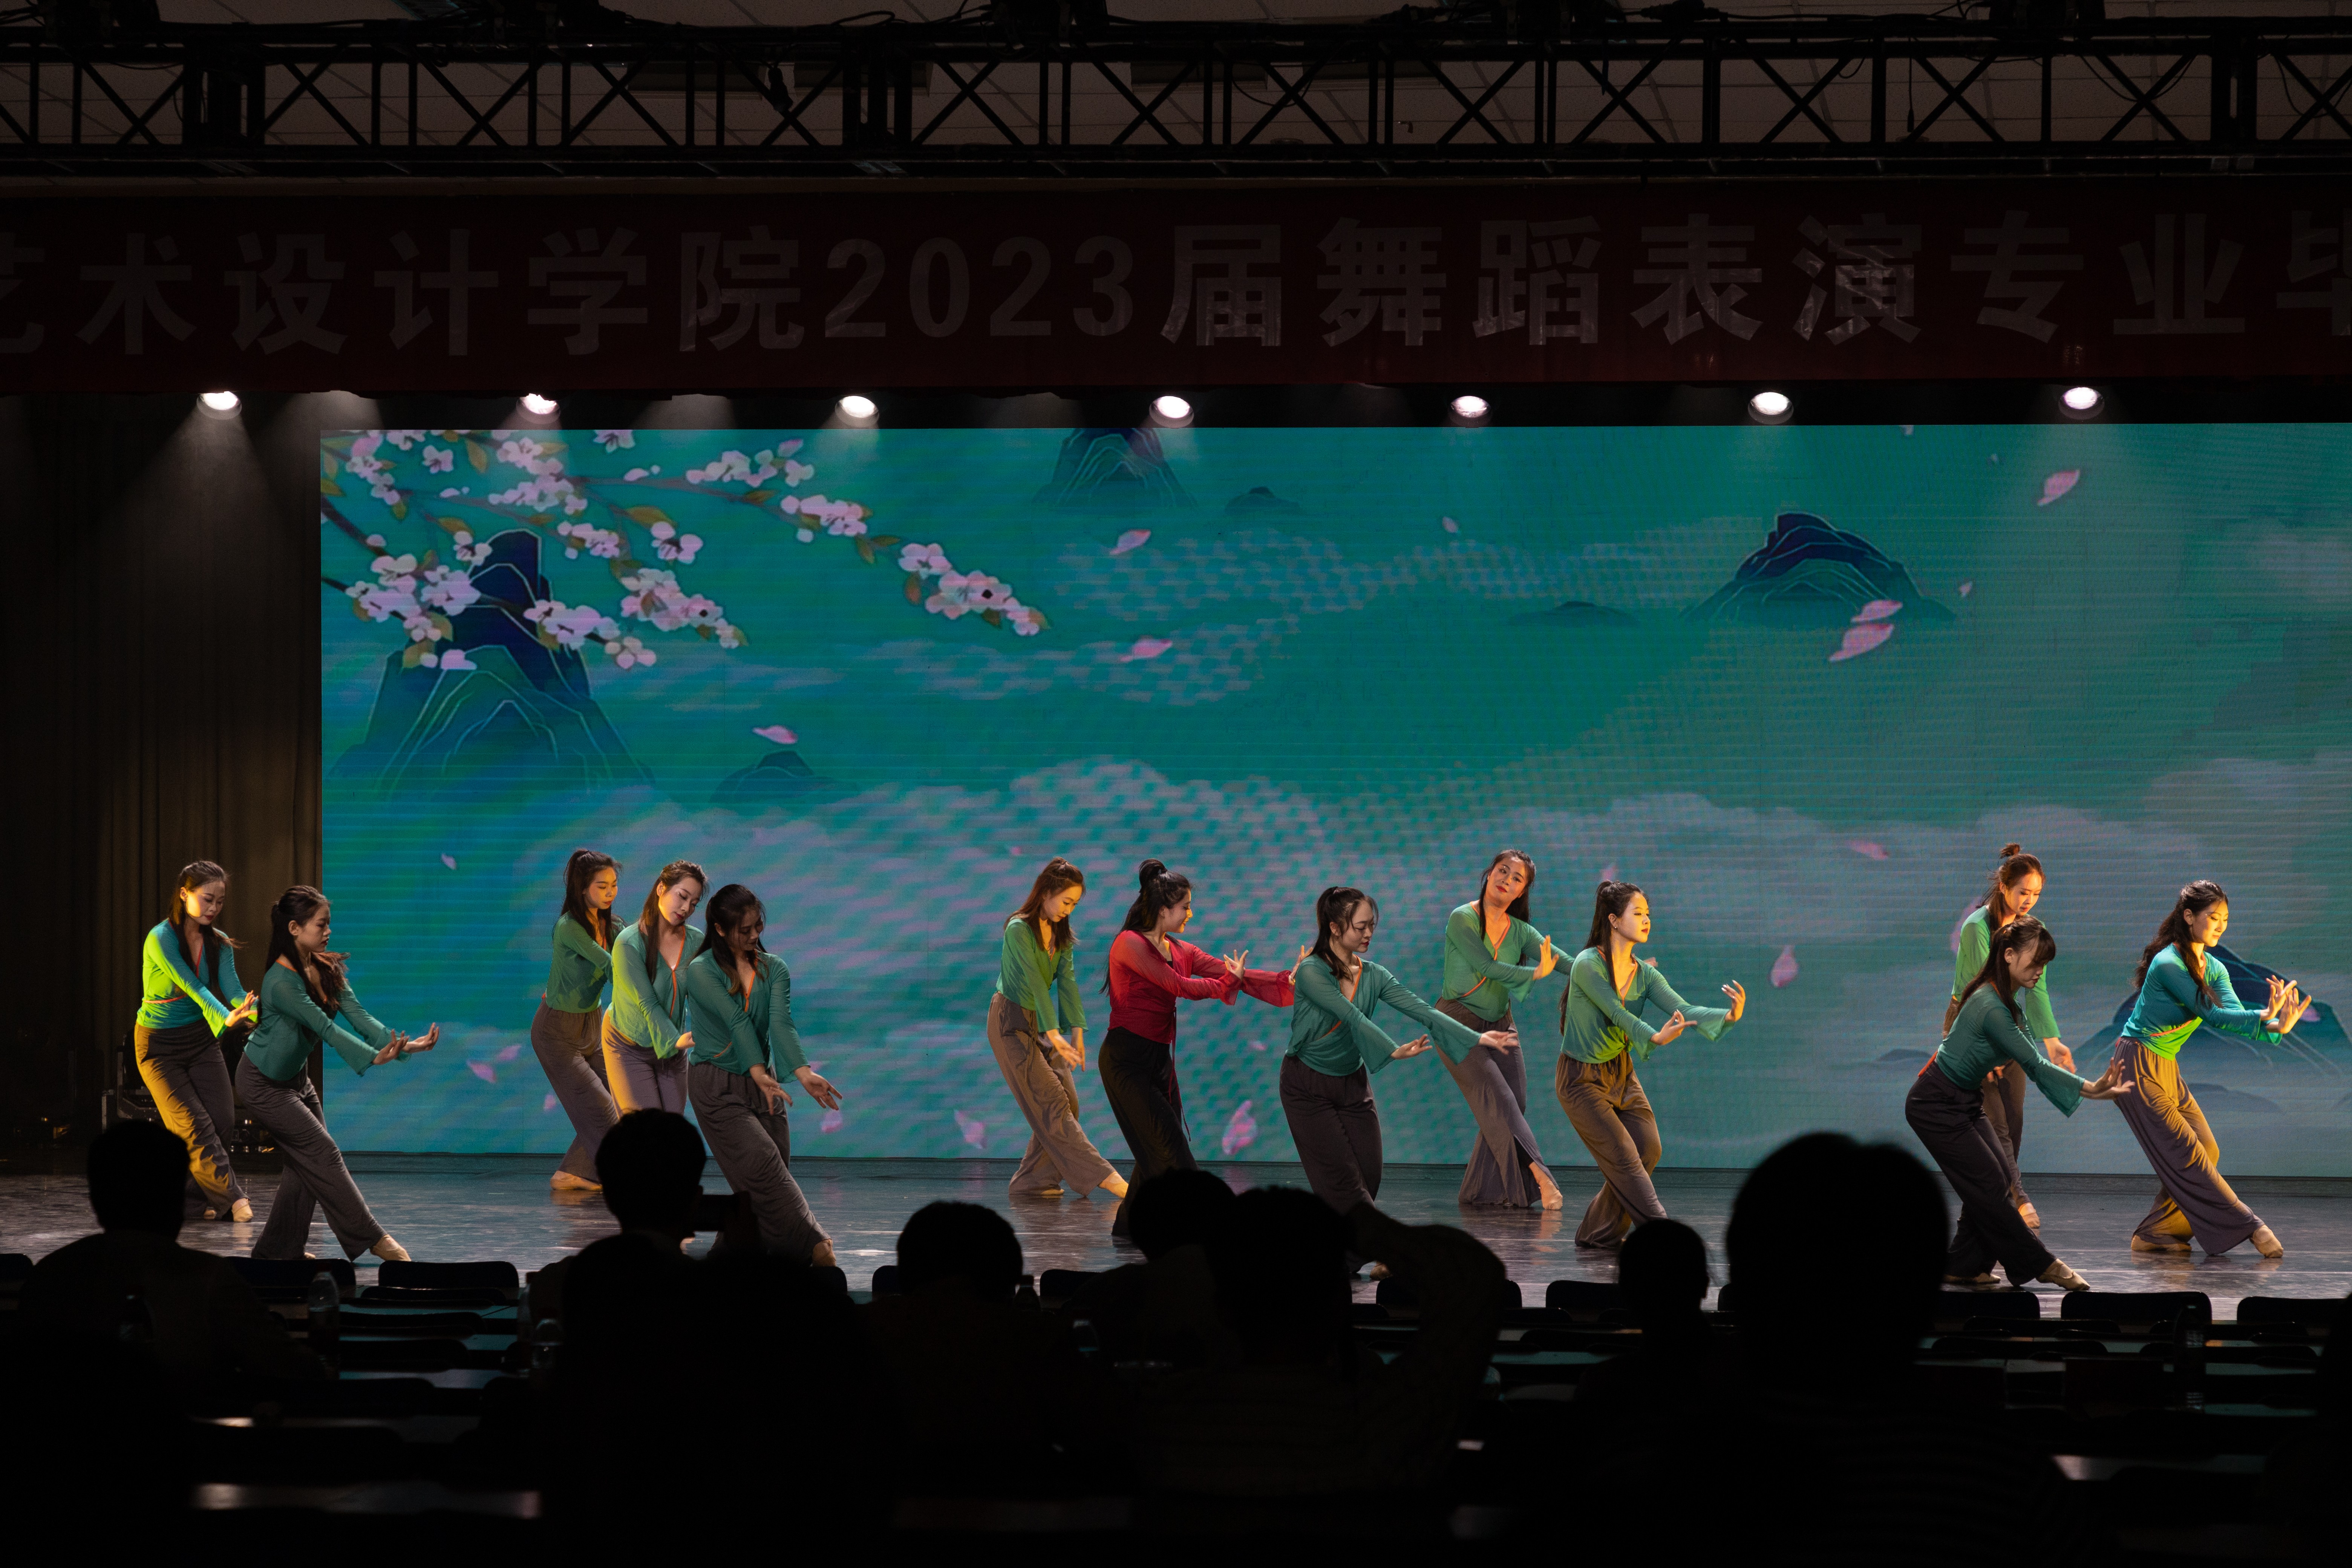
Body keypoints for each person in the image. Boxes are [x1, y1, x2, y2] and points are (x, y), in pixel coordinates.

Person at [1132, 1189, 1505, 1497]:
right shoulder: (1383, 1423)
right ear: (1341, 1302)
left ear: (1223, 1308)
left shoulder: (1163, 1420)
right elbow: (1474, 1275)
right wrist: (1357, 1225)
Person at [1906, 917, 2129, 1291]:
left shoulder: (2008, 1004)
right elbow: (2035, 1064)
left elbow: (2035, 1061)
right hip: (1935, 1103)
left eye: (2044, 964)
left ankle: (1963, 1265)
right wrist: (2091, 1088)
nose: (2040, 971)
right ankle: (2042, 1263)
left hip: (1964, 1101)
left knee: (1997, 1180)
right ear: (2008, 955)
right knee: (1988, 1183)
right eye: (2035, 962)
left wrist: (2092, 1090)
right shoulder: (1991, 1006)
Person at [19, 1121, 319, 1387]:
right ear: (177, 1202)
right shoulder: (209, 1280)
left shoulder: (51, 1276)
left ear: (96, 1201)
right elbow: (294, 1368)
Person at [1282, 886, 1514, 1224]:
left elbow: (1422, 1010)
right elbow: (1351, 1015)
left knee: (1368, 1175)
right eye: (1360, 927)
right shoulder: (1311, 971)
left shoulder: (1374, 975)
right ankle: (1377, 1244)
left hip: (1352, 1082)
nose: (1368, 934)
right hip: (1307, 1085)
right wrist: (1391, 1049)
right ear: (1334, 928)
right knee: (1344, 1183)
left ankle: (1341, 1242)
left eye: (1372, 926)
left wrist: (1477, 1037)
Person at [237, 885, 436, 1263]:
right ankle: (373, 1237)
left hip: (296, 1082)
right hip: (263, 1084)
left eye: (329, 924)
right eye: (321, 924)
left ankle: (277, 1252)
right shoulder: (281, 982)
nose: (328, 931)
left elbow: (358, 1016)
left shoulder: (325, 967)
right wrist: (373, 1058)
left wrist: (404, 1046)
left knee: (305, 1166)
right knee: (323, 1153)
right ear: (294, 928)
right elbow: (326, 1029)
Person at [2113, 880, 2309, 1258]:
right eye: (2213, 917)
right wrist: (2264, 1015)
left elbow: (2233, 1015)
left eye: (2225, 919)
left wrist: (2276, 1025)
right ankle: (2251, 1226)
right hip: (2135, 1065)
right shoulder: (2168, 964)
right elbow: (2212, 1013)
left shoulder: (2214, 967)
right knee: (2189, 1152)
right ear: (2189, 917)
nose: (2220, 926)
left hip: (2165, 1066)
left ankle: (2155, 1232)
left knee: (2206, 1149)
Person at [1099, 859, 1294, 1237]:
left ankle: (1128, 1228)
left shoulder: (1180, 948)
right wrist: (1226, 985)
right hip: (1126, 1061)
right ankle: (1212, 1231)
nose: (1190, 913)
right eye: (1185, 906)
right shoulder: (1130, 944)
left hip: (1158, 1061)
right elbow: (1180, 986)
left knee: (1157, 1150)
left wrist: (1287, 981)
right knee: (1171, 1152)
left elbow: (1231, 974)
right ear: (1163, 909)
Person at [862, 1202, 1107, 1492]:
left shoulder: (861, 1332)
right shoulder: (1041, 1338)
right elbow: (1095, 1435)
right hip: (1022, 1503)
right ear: (1009, 1276)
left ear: (905, 1272)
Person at [1555, 880, 1746, 1249]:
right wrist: (1654, 1036)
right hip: (1581, 1079)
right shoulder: (1588, 963)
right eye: (1638, 913)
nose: (1647, 920)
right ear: (1614, 920)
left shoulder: (1645, 974)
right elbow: (1616, 1011)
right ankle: (1667, 1240)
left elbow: (1684, 1009)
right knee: (1625, 1157)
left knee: (1648, 1149)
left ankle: (1596, 1233)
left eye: (1648, 914)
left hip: (1621, 1073)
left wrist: (1728, 1016)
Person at [683, 883, 841, 1266]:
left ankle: (729, 1257)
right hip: (717, 1085)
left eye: (758, 926)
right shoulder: (701, 971)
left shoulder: (774, 969)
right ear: (720, 930)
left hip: (762, 1084)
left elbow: (781, 1024)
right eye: (745, 930)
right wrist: (757, 1070)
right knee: (764, 1166)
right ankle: (816, 1245)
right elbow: (736, 1021)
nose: (755, 935)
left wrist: (803, 1073)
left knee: (762, 1183)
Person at [1940, 844, 2073, 1230]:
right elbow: (1977, 992)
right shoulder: (1976, 928)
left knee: (2013, 1120)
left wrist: (2051, 1041)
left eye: (2036, 894)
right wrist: (1985, 1049)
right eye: (2022, 892)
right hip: (1973, 1024)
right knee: (1994, 1120)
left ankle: (1995, 1199)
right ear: (2003, 886)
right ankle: (2019, 1198)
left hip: (2011, 1024)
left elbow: (2037, 987)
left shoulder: (2032, 930)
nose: (2029, 901)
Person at [1435, 851, 1569, 1210]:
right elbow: (1487, 966)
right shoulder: (1463, 918)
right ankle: (1541, 1178)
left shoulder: (1520, 931)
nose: (1507, 880)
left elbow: (1564, 962)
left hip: (1501, 1024)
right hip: (1456, 1024)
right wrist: (1533, 974)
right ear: (1490, 873)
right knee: (1502, 1102)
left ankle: (1479, 1190)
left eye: (1516, 879)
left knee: (1513, 1103)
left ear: (1522, 891)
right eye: (1503, 871)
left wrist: (1613, 973)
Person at [988, 857, 1126, 1202]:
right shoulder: (1018, 929)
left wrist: (1076, 1034)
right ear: (1046, 892)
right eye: (1066, 902)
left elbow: (1067, 982)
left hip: (1039, 1021)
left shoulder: (1060, 934)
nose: (1069, 910)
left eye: (1075, 905)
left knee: (1068, 1102)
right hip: (1010, 1021)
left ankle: (1033, 1181)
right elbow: (1036, 983)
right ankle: (1107, 1178)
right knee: (1052, 1103)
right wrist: (1053, 1036)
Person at [135, 860, 259, 1223]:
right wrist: (225, 1017)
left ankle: (188, 1204)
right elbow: (194, 987)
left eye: (220, 902)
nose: (214, 908)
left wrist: (257, 1013)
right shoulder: (160, 939)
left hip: (200, 1041)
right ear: (184, 894)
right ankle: (234, 1200)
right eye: (207, 899)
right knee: (193, 1126)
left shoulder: (219, 943)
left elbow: (234, 992)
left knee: (222, 1121)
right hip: (159, 1048)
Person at [533, 848, 623, 1192]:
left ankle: (574, 1173)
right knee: (602, 1111)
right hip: (557, 1032)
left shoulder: (614, 926)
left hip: (592, 1026)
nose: (610, 893)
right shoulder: (569, 928)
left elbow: (637, 950)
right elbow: (612, 965)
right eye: (602, 886)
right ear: (582, 888)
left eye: (614, 885)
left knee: (621, 1099)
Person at [605, 859, 704, 1116]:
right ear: (661, 889)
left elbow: (707, 995)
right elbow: (648, 1004)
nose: (687, 908)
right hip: (629, 1046)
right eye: (682, 896)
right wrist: (680, 1040)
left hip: (673, 1051)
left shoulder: (697, 942)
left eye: (694, 903)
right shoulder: (628, 944)